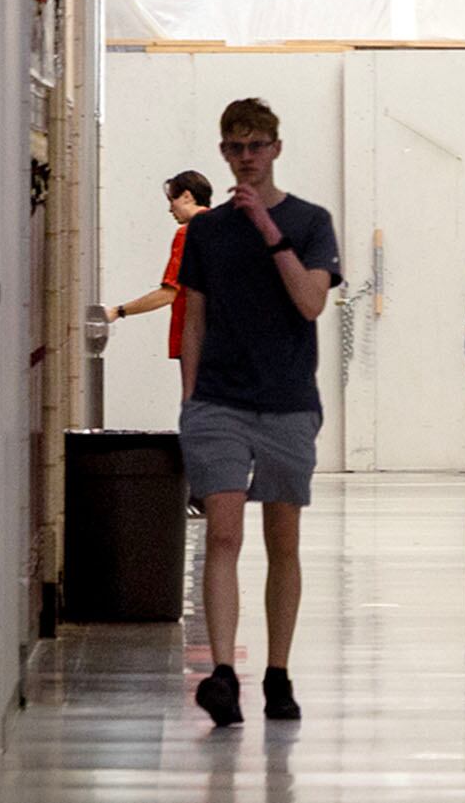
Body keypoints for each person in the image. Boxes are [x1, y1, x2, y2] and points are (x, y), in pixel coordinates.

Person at [177, 97, 340, 729]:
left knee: (283, 540)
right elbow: (194, 313)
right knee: (222, 534)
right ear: (223, 153)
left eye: (256, 147)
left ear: (275, 149)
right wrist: (191, 399)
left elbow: (309, 304)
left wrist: (269, 232)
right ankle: (223, 672)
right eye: (235, 148)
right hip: (219, 401)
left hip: (287, 403)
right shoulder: (206, 231)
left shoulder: (309, 222)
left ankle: (278, 672)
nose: (246, 158)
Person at [110, 171, 214, 362]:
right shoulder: (224, 229)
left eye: (172, 200)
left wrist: (118, 311)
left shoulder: (189, 234)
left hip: (196, 341)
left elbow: (169, 293)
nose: (170, 209)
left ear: (187, 196)